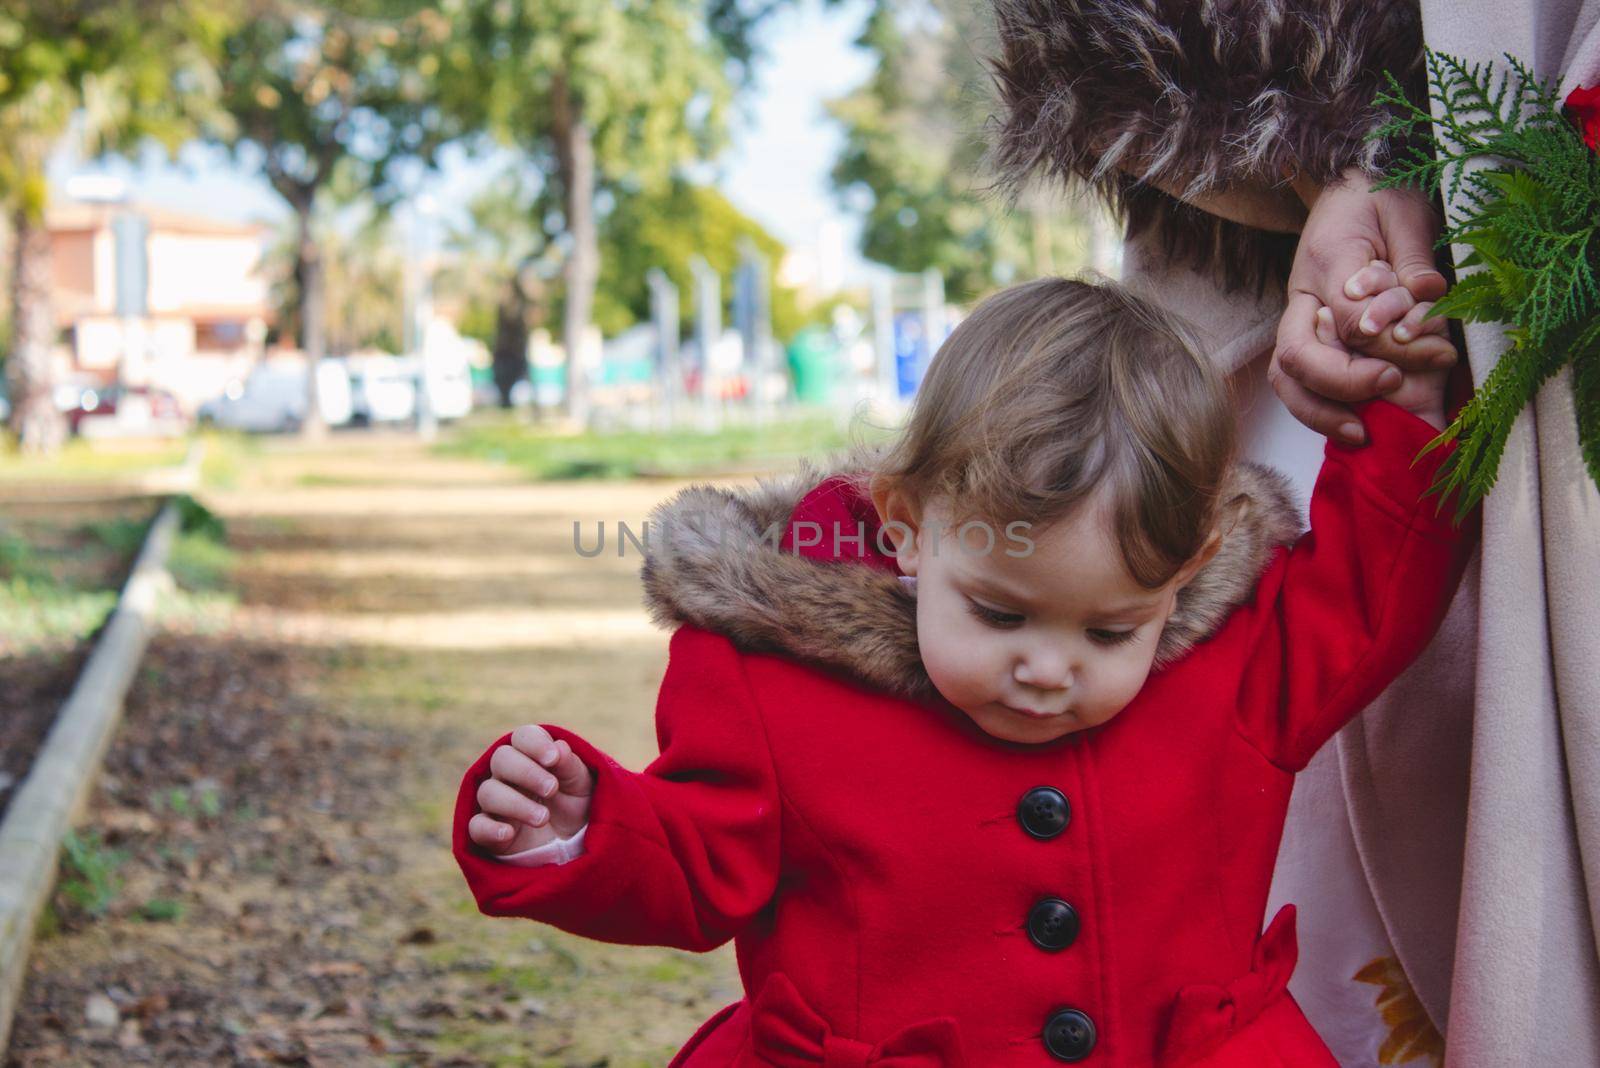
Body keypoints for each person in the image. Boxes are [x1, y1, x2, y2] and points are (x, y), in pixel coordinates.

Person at [452, 276, 1476, 1066]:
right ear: (905, 529)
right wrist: (578, 831)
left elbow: (1370, 588)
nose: (1045, 668)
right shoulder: (779, 684)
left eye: (1111, 632)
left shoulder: (1235, 665)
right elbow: (691, 863)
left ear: (1188, 570)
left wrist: (1398, 405)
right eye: (998, 612)